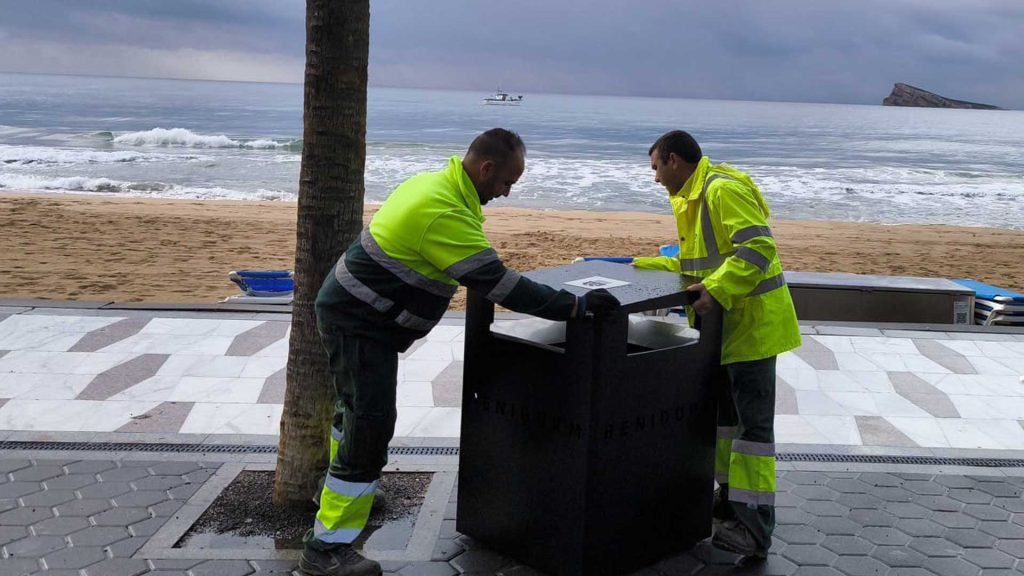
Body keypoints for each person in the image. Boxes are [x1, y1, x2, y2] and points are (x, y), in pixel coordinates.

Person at [300, 128, 620, 576]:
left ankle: (343, 491)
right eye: (507, 182)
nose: (506, 192)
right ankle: (326, 547)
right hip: (359, 323)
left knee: (353, 412)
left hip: (360, 316)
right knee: (370, 424)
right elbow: (500, 284)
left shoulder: (440, 185)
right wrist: (576, 305)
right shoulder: (443, 210)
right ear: (486, 169)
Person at [633, 130, 800, 559]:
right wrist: (635, 265)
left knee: (753, 435)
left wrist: (719, 290)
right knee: (726, 427)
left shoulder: (720, 191)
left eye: (655, 168)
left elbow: (758, 248)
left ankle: (756, 531)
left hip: (753, 330)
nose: (654, 179)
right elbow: (695, 263)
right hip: (725, 334)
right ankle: (730, 504)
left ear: (673, 160)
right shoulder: (692, 198)